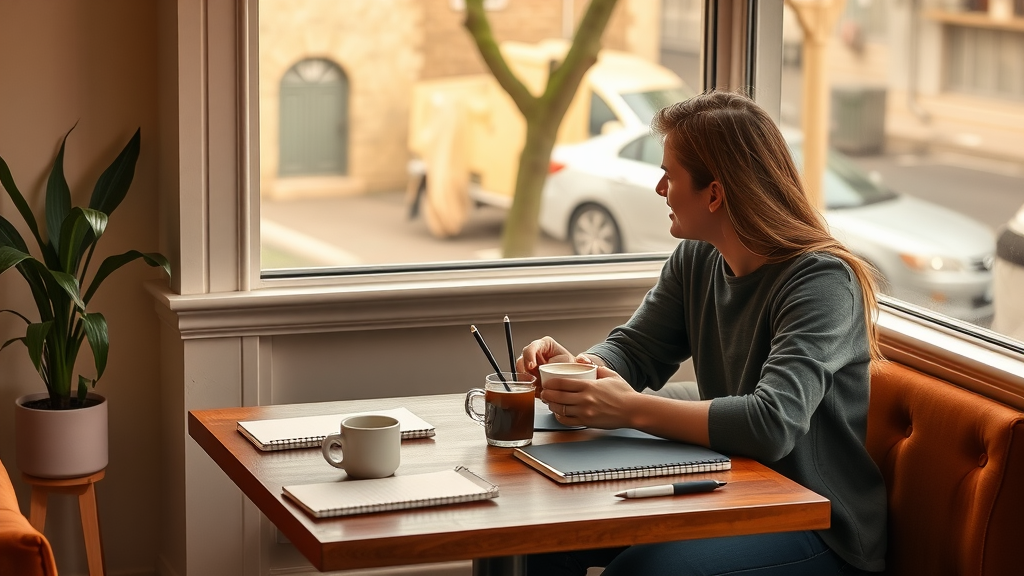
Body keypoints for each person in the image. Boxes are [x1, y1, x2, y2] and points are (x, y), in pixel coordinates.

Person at [518, 91, 887, 576]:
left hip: (819, 524)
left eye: (669, 175)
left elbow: (772, 423)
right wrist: (583, 368)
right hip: (730, 488)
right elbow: (636, 349)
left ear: (714, 193)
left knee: (640, 572)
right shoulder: (698, 259)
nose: (658, 187)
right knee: (550, 538)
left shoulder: (822, 282)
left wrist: (628, 408)